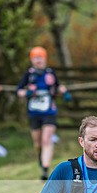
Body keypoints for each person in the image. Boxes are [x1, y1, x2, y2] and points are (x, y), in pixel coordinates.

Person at [16, 46, 70, 180]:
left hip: (49, 110)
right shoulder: (29, 74)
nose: (38, 60)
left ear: (45, 59)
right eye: (35, 58)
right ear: (32, 60)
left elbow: (59, 86)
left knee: (46, 139)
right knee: (38, 142)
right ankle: (40, 156)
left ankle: (45, 169)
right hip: (34, 112)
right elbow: (19, 91)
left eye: (40, 58)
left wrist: (65, 92)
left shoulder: (50, 73)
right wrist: (27, 93)